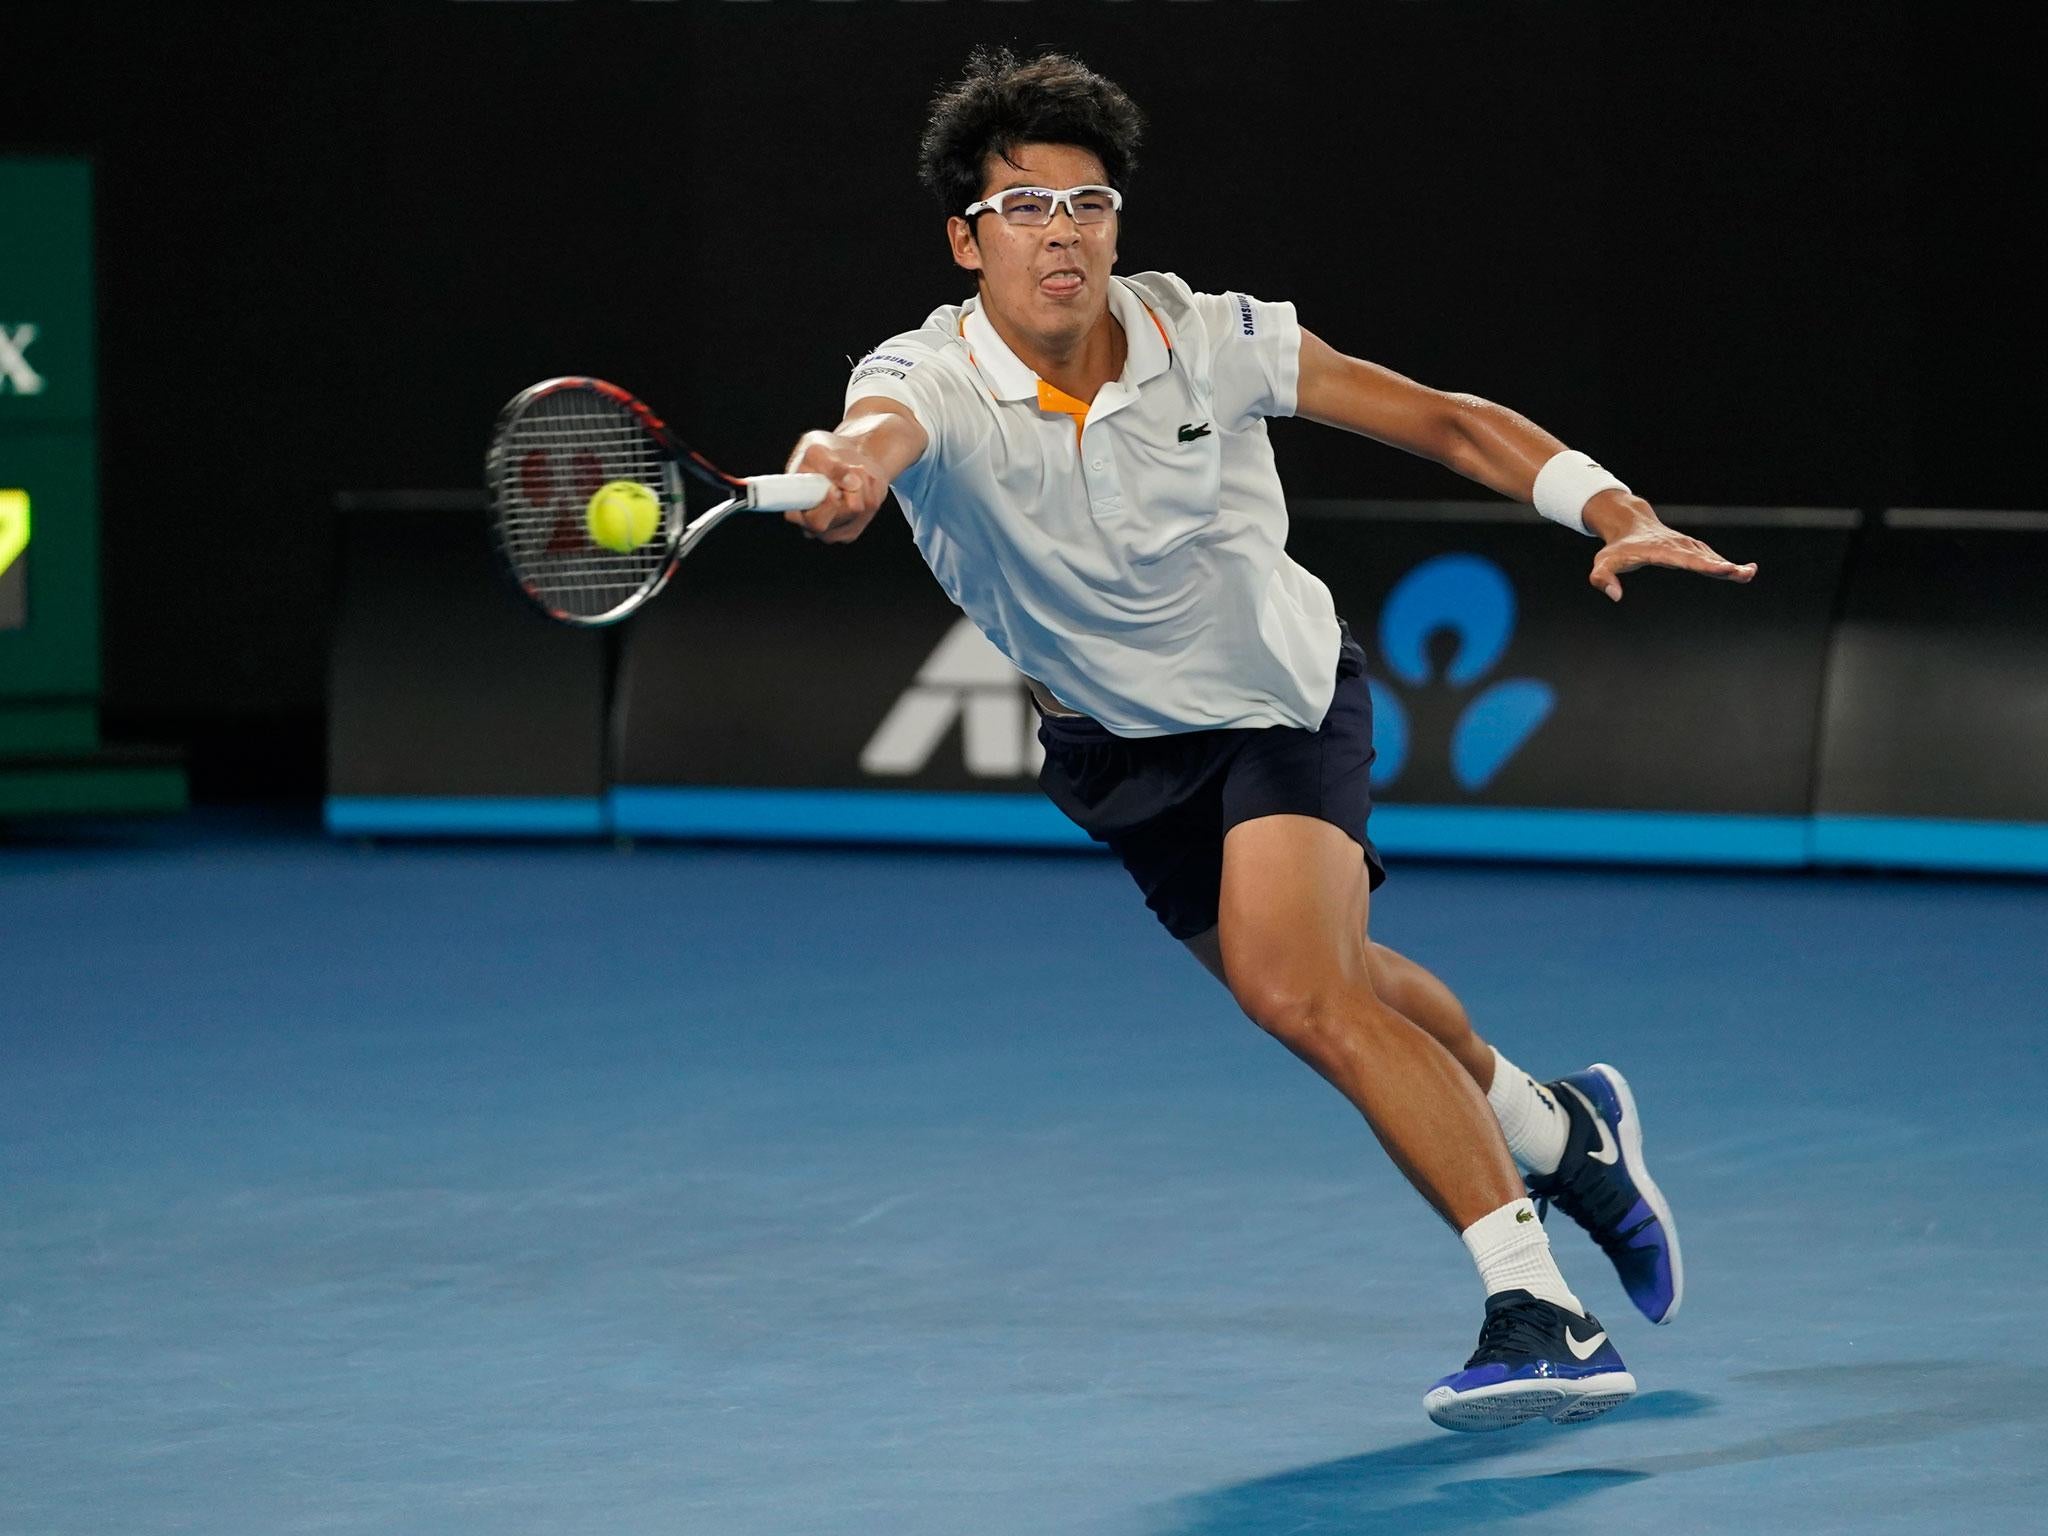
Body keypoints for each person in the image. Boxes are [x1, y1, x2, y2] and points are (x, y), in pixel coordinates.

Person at [782, 47, 1752, 1432]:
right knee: (1329, 974)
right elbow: (868, 439)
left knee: (1297, 989)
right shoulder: (923, 378)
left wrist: (1613, 510)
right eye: (1025, 212)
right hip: (1113, 755)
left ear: (1116, 221)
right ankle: (1558, 1130)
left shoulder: (1212, 336)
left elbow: (1447, 424)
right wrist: (846, 476)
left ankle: (1541, 1307)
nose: (1063, 236)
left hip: (1278, 706)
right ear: (966, 238)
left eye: (1088, 205)